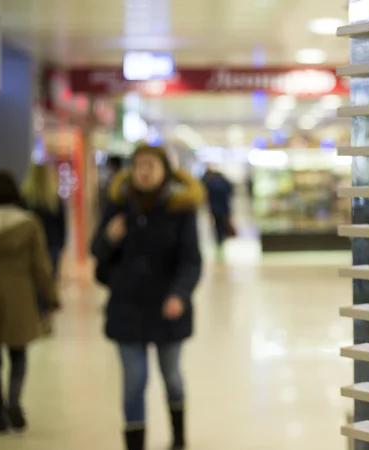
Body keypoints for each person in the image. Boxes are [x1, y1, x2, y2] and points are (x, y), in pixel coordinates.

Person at [91, 144, 204, 450]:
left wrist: (179, 295)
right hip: (127, 308)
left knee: (172, 377)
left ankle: (179, 438)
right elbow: (97, 256)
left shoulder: (181, 208)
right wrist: (108, 239)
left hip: (168, 308)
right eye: (139, 165)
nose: (144, 171)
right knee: (134, 381)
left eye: (151, 165)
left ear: (164, 171)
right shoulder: (117, 206)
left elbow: (191, 260)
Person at [0, 171, 59, 434]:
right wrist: (51, 296)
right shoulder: (28, 224)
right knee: (18, 354)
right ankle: (14, 402)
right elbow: (41, 265)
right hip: (19, 293)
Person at [22, 163, 67, 334]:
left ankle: (36, 315)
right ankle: (46, 317)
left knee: (33, 281)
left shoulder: (26, 200)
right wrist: (60, 246)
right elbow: (62, 228)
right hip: (52, 246)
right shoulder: (54, 200)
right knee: (48, 282)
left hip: (31, 247)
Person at [202, 167, 234, 257]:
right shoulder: (224, 183)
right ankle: (222, 239)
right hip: (224, 208)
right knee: (223, 224)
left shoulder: (210, 184)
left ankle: (219, 240)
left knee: (217, 225)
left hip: (214, 209)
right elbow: (230, 192)